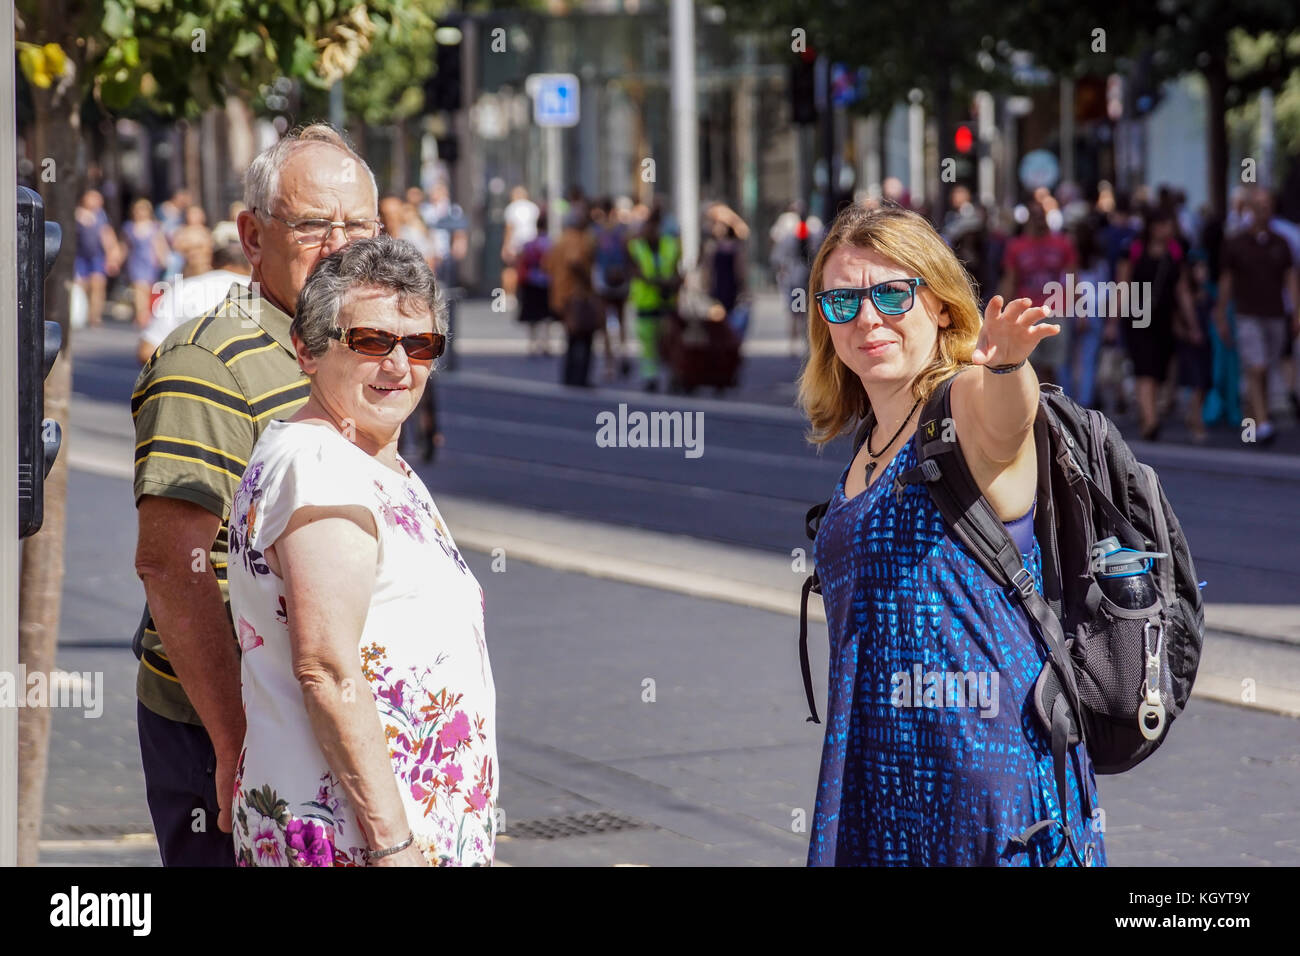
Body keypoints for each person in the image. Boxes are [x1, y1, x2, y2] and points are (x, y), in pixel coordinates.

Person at [798, 202, 1105, 867]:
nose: (868, 317)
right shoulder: (869, 443)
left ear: (938, 305)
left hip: (978, 773)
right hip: (877, 768)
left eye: (890, 293)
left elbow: (1004, 421)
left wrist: (1005, 367)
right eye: (842, 301)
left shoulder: (959, 402)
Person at [132, 123, 381, 866]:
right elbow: (173, 567)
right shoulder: (207, 362)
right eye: (312, 225)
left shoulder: (345, 348)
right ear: (251, 235)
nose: (340, 245)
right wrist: (235, 740)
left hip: (324, 716)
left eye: (359, 226)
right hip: (238, 726)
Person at [226, 235, 495, 867]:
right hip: (357, 840)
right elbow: (326, 669)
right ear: (307, 351)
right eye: (372, 341)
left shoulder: (367, 460)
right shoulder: (321, 464)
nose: (399, 365)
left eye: (421, 344)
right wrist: (392, 844)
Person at [1218, 190, 1300, 445]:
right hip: (1247, 314)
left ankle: (1253, 415)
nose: (1264, 210)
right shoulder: (1237, 243)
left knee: (1265, 368)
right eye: (1259, 205)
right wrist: (1221, 312)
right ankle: (1263, 423)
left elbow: (1290, 278)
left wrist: (1296, 311)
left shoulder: (1281, 242)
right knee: (1257, 366)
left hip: (1274, 313)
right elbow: (1227, 281)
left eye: (1268, 205)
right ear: (1250, 209)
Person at [1117, 211, 1197, 441]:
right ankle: (1150, 420)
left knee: (1159, 369)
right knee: (1145, 369)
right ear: (1153, 227)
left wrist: (1191, 322)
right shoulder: (1134, 249)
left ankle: (1148, 413)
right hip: (1136, 317)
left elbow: (1182, 289)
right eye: (1163, 225)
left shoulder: (1175, 251)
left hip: (1163, 319)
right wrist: (1114, 318)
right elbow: (1122, 282)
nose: (1167, 230)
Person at [136, 241, 253, 364]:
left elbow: (147, 350)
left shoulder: (183, 289)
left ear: (212, 263)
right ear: (250, 265)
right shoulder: (260, 294)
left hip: (188, 376)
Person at [1000, 201, 1075, 385]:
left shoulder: (1062, 243)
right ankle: (1033, 406)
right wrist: (1004, 311)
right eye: (1036, 217)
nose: (1040, 221)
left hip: (1055, 311)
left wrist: (1077, 309)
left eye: (1042, 216)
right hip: (1027, 313)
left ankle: (1052, 406)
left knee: (1053, 365)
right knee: (1029, 364)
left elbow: (1072, 277)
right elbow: (1010, 280)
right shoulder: (1016, 246)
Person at [628, 207, 681, 391]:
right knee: (648, 344)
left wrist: (673, 282)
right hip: (646, 303)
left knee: (669, 341)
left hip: (667, 303)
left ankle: (674, 377)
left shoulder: (670, 245)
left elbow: (676, 271)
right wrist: (661, 283)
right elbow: (636, 272)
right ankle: (650, 377)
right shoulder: (636, 247)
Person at [546, 208, 599, 388]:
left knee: (571, 338)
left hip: (561, 295)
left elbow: (547, 265)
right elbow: (574, 261)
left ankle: (570, 376)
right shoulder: (578, 240)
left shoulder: (559, 240)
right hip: (577, 295)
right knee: (583, 338)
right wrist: (586, 280)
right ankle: (580, 377)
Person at [74, 188, 123, 327]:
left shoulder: (101, 216)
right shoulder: (76, 214)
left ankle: (94, 316)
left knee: (98, 283)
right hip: (80, 257)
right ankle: (82, 312)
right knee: (83, 285)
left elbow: (107, 235)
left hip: (97, 256)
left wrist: (112, 255)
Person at [122, 198, 172, 328]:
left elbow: (160, 243)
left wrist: (163, 257)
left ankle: (144, 314)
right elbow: (125, 246)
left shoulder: (154, 227)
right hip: (136, 261)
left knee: (148, 289)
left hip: (150, 262)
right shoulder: (129, 227)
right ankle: (141, 316)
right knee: (139, 287)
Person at [515, 211, 555, 357]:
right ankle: (546, 344)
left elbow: (521, 260)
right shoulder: (551, 243)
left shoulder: (529, 244)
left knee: (532, 315)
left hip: (531, 281)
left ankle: (532, 344)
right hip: (546, 282)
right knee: (546, 316)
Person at [501, 185, 540, 303]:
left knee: (511, 268)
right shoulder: (533, 207)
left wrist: (506, 245)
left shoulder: (511, 208)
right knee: (529, 269)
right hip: (531, 243)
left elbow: (509, 228)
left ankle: (510, 295)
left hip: (516, 243)